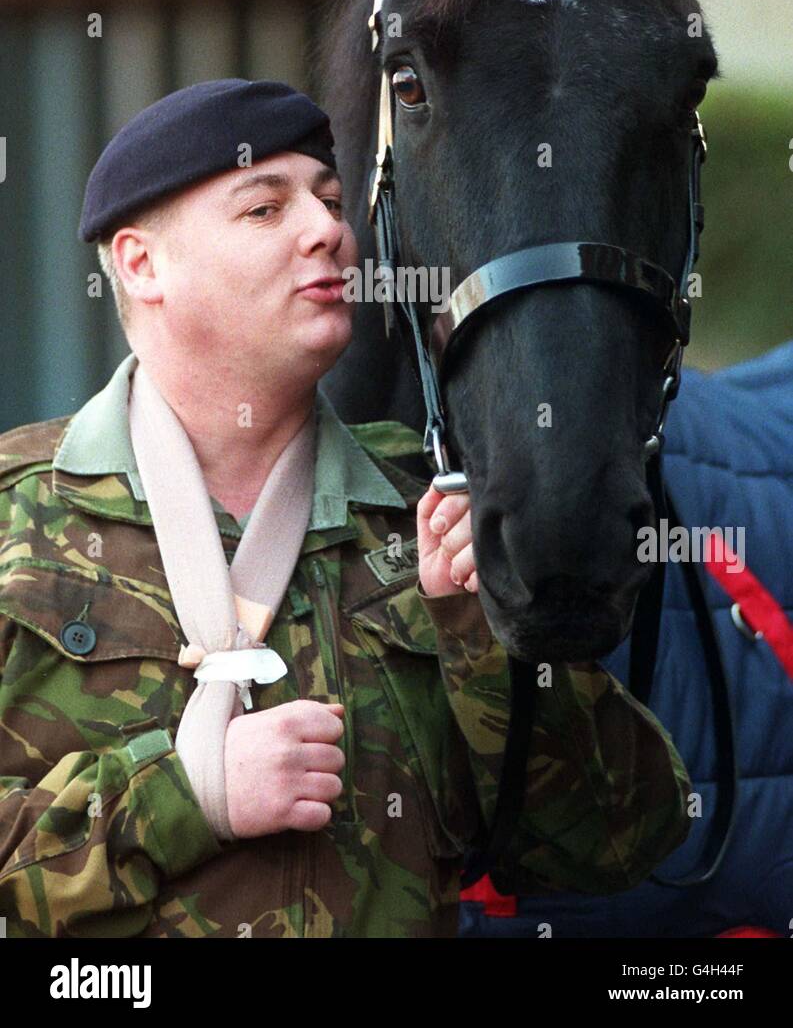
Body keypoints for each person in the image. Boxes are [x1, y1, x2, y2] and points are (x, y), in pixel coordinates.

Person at [0, 78, 692, 938]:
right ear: (142, 265)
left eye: (331, 200)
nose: (328, 229)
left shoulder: (432, 512)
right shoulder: (18, 518)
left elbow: (617, 845)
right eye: (263, 209)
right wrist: (187, 793)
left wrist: (480, 631)